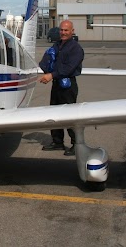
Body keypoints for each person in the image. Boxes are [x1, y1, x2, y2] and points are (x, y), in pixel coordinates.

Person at [39, 20, 84, 156]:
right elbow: (46, 60)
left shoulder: (75, 48)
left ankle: (76, 144)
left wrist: (51, 75)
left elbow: (68, 68)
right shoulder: (57, 45)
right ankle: (57, 142)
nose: (63, 33)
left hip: (68, 85)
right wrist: (47, 70)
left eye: (66, 30)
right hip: (57, 84)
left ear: (72, 31)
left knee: (69, 115)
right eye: (61, 30)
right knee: (54, 113)